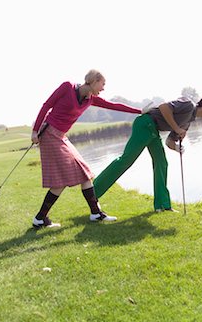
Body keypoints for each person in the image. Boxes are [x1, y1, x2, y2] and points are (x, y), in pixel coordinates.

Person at [31, 69, 142, 229]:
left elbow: (114, 105)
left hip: (61, 136)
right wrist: (35, 130)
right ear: (94, 81)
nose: (103, 89)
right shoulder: (67, 87)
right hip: (49, 134)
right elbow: (47, 105)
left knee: (84, 173)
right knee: (62, 180)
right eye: (102, 84)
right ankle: (41, 218)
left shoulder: (91, 99)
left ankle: (94, 213)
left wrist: (139, 111)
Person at [93, 95, 202, 212]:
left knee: (161, 163)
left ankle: (162, 206)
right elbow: (164, 107)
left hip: (153, 130)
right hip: (145, 124)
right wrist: (176, 128)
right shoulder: (188, 105)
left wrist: (177, 148)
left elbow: (169, 142)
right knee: (126, 160)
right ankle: (93, 193)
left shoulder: (187, 123)